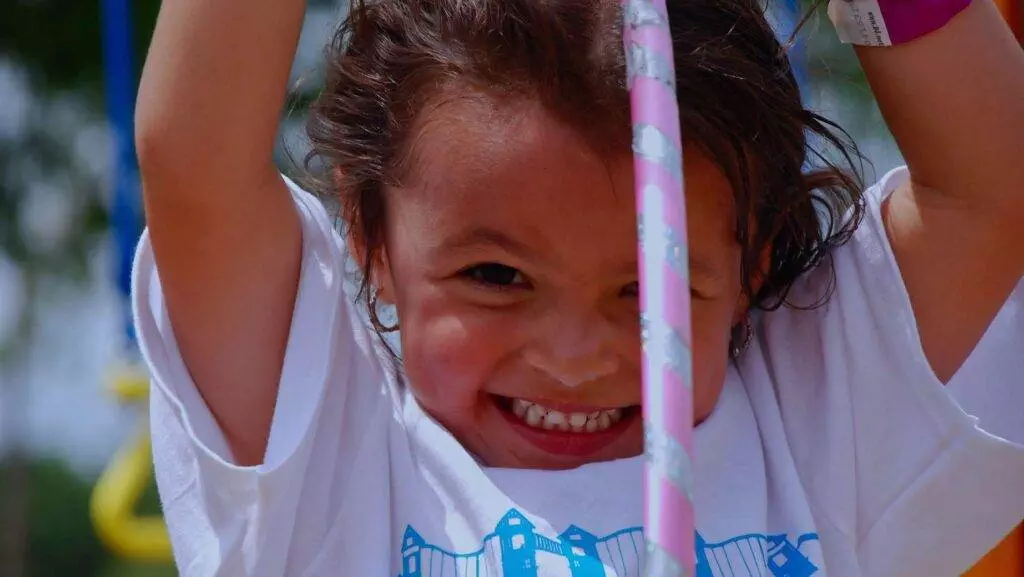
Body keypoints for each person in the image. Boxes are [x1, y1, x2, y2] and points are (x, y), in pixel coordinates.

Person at [131, 0, 1024, 574]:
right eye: (495, 276)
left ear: (753, 264)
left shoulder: (811, 435)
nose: (573, 358)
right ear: (370, 240)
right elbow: (192, 164)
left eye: (650, 291)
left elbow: (995, 192)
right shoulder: (332, 466)